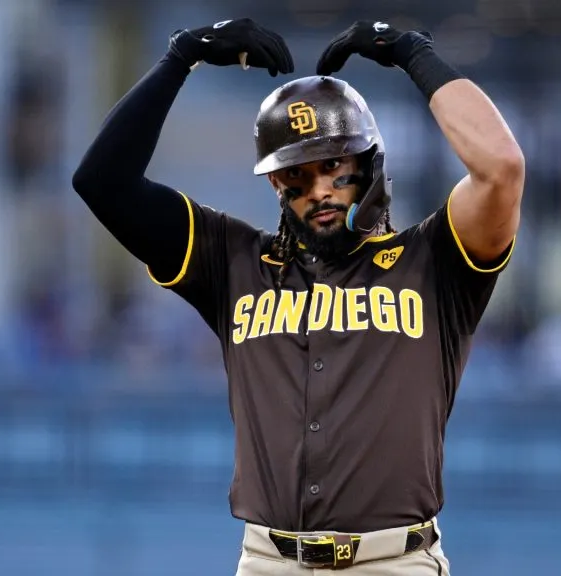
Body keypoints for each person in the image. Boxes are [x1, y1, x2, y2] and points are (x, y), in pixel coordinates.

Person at [72, 17, 525, 575]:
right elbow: (102, 183)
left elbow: (501, 168)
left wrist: (415, 54)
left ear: (368, 162)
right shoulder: (233, 262)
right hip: (268, 561)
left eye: (333, 165)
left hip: (392, 563)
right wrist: (177, 60)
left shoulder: (433, 262)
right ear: (275, 185)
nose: (319, 191)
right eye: (297, 175)